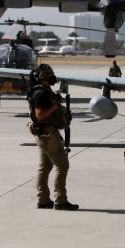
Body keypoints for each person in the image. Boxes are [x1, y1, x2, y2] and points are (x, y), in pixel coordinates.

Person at [27, 63, 79, 210]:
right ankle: (60, 200)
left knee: (45, 167)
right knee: (62, 165)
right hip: (48, 134)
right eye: (49, 74)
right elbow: (39, 115)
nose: (52, 76)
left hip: (43, 134)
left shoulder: (42, 91)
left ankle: (43, 200)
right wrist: (55, 107)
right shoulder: (41, 94)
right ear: (42, 77)